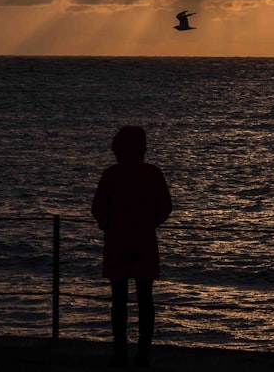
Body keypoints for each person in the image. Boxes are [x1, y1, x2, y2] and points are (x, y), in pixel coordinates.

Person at [92, 126, 173, 368]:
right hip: (144, 241)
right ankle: (143, 352)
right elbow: (165, 207)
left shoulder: (111, 175)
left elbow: (98, 208)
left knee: (119, 300)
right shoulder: (152, 174)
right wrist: (150, 224)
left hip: (118, 241)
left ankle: (120, 351)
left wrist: (107, 225)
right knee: (144, 299)